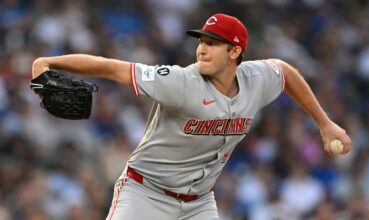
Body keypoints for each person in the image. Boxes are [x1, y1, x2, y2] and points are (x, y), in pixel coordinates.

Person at [31, 13, 351, 220]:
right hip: (146, 193)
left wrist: (324, 122)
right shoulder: (179, 81)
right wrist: (47, 62)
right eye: (200, 42)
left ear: (235, 52)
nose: (201, 49)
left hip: (198, 203)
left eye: (212, 44)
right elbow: (111, 66)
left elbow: (286, 72)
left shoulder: (256, 79)